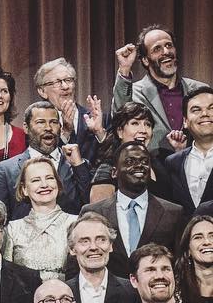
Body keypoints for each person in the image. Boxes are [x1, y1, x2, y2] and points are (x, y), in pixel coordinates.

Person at [88, 140, 183, 277]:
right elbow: (79, 263)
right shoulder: (94, 213)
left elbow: (179, 263)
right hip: (108, 296)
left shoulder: (173, 213)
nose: (139, 166)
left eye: (144, 161)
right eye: (130, 162)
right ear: (114, 172)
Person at [0, 100, 91, 220]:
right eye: (40, 122)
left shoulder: (78, 165)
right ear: (26, 128)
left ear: (60, 127)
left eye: (53, 122)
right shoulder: (6, 170)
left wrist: (78, 166)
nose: (48, 128)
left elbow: (90, 206)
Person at [112, 25, 204, 155]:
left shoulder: (200, 90)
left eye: (169, 45)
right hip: (151, 169)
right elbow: (118, 118)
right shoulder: (134, 92)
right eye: (157, 49)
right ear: (145, 60)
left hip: (194, 169)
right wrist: (125, 68)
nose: (166, 52)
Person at [65, 212, 141, 303]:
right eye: (85, 241)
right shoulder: (63, 293)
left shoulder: (133, 291)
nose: (94, 247)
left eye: (101, 240)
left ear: (111, 246)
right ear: (72, 249)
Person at [2, 155, 77, 280]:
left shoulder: (76, 223)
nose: (44, 184)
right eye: (36, 180)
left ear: (58, 184)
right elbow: (8, 276)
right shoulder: (12, 229)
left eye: (49, 178)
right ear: (24, 189)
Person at [33, 56, 102, 162]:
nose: (65, 86)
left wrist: (99, 132)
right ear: (42, 91)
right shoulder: (36, 125)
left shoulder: (95, 118)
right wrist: (65, 132)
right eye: (57, 82)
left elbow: (110, 157)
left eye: (68, 80)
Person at [88, 100, 159, 197]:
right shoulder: (106, 170)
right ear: (120, 131)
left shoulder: (159, 164)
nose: (143, 130)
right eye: (135, 123)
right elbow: (99, 210)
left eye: (148, 124)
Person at [163, 85, 213, 214]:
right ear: (185, 121)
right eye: (196, 110)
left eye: (211, 108)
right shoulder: (172, 162)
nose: (205, 114)